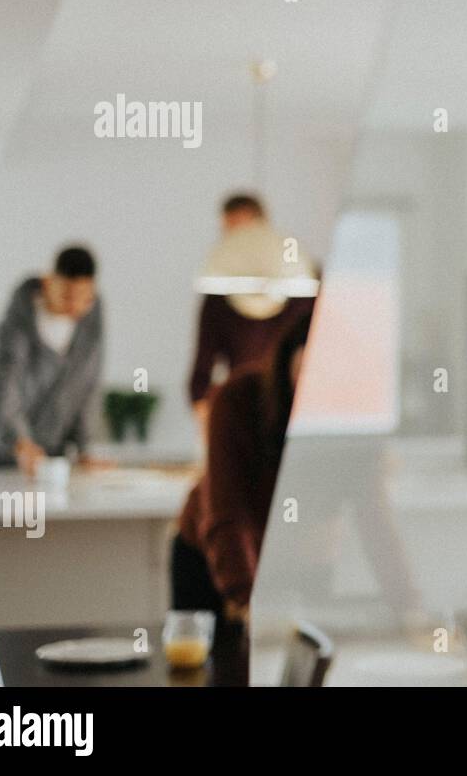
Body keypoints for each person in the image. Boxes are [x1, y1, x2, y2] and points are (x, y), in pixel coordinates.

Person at [173, 312, 312, 627]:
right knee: (212, 668)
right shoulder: (237, 398)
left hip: (292, 558)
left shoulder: (349, 416)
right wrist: (247, 600)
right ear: (290, 356)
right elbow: (227, 513)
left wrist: (411, 610)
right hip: (213, 558)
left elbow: (374, 518)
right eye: (305, 373)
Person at [0, 246, 104, 474]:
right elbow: (6, 387)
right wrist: (19, 443)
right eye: (67, 296)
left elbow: (88, 384)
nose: (74, 306)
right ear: (48, 282)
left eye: (83, 299)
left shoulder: (91, 319)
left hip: (48, 457)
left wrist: (85, 448)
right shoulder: (17, 324)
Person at [188, 194, 315, 437]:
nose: (239, 242)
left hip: (295, 413)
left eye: (245, 231)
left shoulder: (301, 281)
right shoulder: (218, 293)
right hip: (241, 409)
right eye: (230, 234)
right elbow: (201, 374)